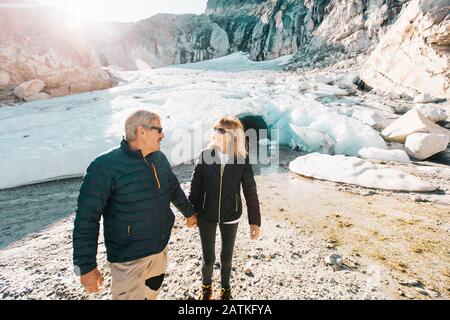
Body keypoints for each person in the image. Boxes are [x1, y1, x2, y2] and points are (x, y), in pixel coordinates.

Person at [73, 110, 198, 300]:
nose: (162, 135)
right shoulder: (104, 167)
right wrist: (85, 266)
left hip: (160, 251)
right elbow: (86, 219)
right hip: (129, 260)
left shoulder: (159, 158)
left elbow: (173, 188)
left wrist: (189, 213)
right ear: (141, 131)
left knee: (150, 295)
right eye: (159, 130)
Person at [189, 116, 261, 300]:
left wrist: (255, 222)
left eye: (221, 130)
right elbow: (195, 186)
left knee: (226, 256)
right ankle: (206, 287)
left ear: (232, 135)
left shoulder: (242, 159)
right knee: (208, 257)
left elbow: (250, 191)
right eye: (215, 128)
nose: (216, 132)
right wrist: (191, 213)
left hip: (231, 214)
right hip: (206, 214)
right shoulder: (205, 155)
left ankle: (226, 289)